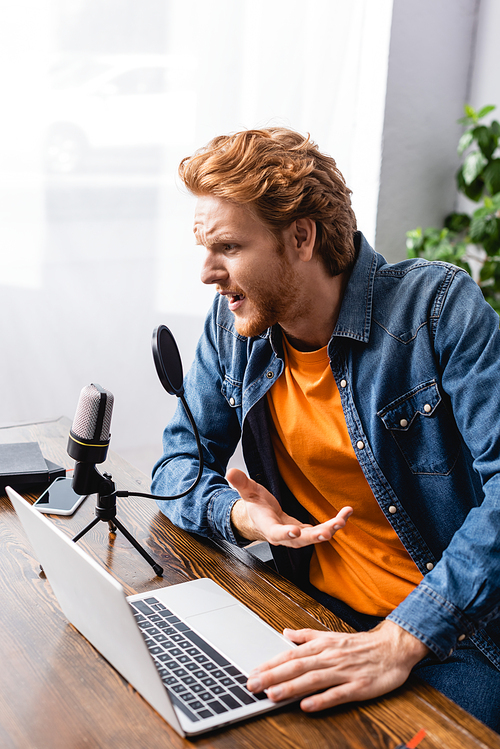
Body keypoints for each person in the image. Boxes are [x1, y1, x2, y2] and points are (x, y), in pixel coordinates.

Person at [152, 127, 500, 732]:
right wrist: (243, 518)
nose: (208, 273)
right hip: (309, 613)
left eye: (228, 247)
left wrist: (399, 640)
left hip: (454, 637)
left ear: (302, 237)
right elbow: (173, 469)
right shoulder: (231, 326)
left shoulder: (439, 310)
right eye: (204, 248)